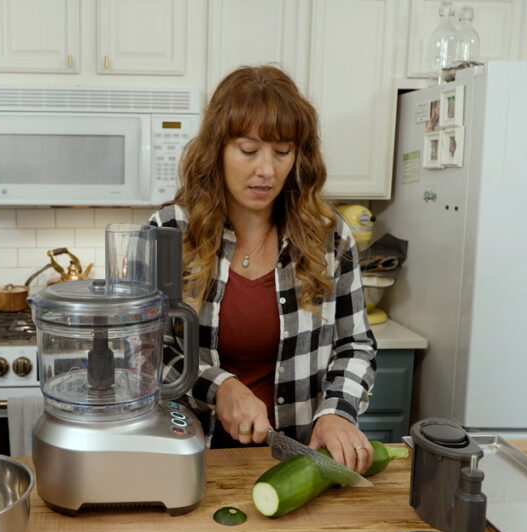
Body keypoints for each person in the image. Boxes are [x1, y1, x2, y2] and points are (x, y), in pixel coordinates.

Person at [148, 65, 377, 474]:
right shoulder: (170, 232)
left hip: (298, 461)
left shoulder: (329, 236)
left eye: (282, 151)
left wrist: (337, 412)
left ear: (299, 155)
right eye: (249, 150)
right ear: (217, 149)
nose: (267, 170)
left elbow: (355, 343)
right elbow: (145, 353)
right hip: (188, 464)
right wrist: (219, 387)